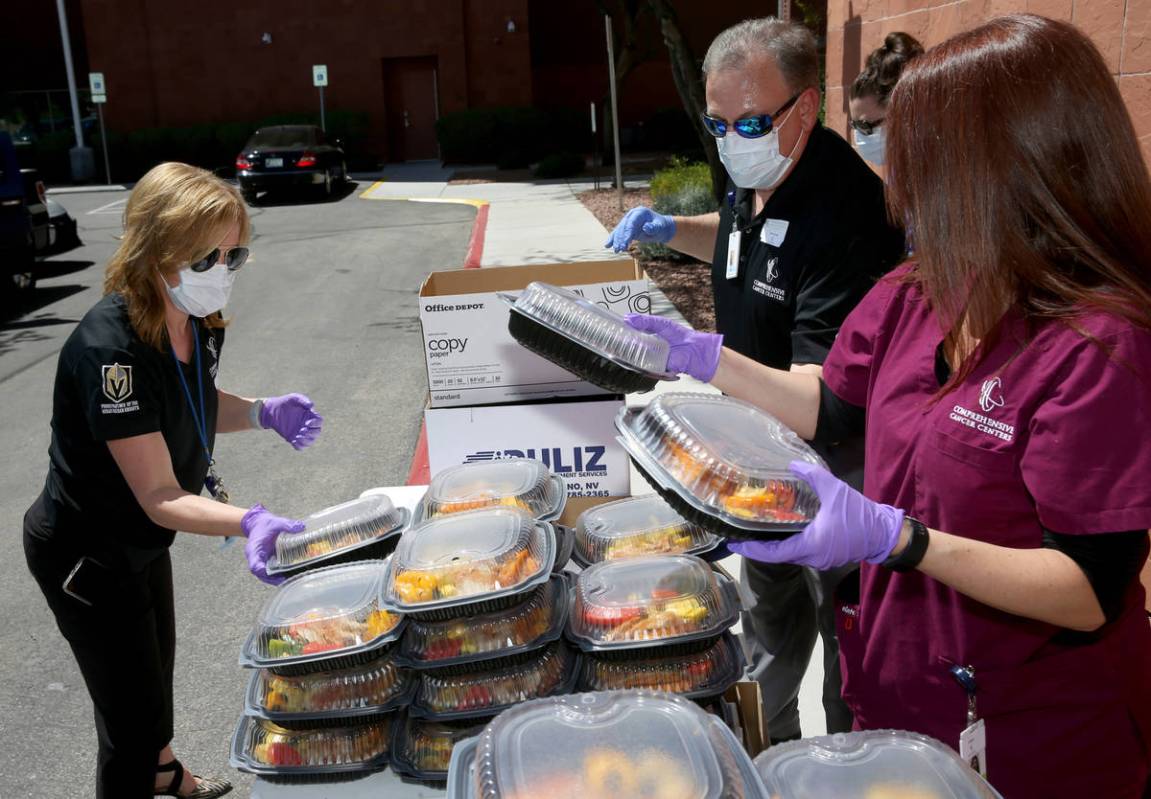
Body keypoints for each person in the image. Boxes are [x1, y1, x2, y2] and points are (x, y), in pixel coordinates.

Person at [627, 14, 1151, 797]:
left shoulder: (1098, 343)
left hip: (1031, 735)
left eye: (917, 157)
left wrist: (900, 539)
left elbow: (1084, 587)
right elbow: (829, 404)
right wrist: (701, 359)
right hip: (900, 695)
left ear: (1007, 167)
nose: (897, 184)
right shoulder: (919, 290)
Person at [605, 17, 905, 742]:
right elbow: (743, 235)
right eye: (715, 122)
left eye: (746, 122)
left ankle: (840, 769)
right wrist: (669, 229)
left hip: (833, 471)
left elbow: (818, 400)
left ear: (805, 107)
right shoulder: (760, 166)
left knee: (846, 647)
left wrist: (701, 358)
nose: (730, 139)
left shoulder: (844, 212)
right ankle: (770, 758)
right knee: (769, 630)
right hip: (756, 454)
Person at [23, 162, 324, 798]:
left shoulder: (194, 320)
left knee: (153, 678)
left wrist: (262, 412)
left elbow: (194, 400)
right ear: (158, 250)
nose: (225, 268)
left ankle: (166, 772)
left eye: (234, 253)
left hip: (137, 544)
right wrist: (247, 521)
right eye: (208, 255)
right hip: (88, 555)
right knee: (130, 721)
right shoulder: (113, 353)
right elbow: (160, 496)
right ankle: (145, 772)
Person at [848, 32, 923, 169]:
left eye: (864, 126)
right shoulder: (899, 169)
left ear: (903, 112)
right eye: (854, 126)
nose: (859, 137)